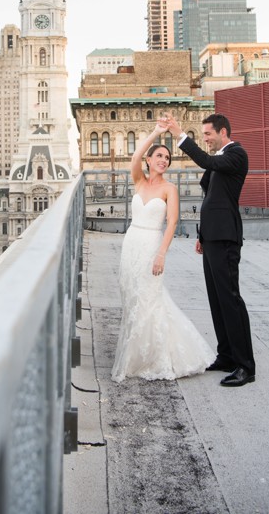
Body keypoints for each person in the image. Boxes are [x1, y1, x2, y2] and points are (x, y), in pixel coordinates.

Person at [110, 118, 213, 382]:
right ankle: (135, 355)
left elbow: (173, 223)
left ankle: (156, 357)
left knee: (149, 299)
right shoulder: (140, 181)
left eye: (167, 157)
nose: (163, 160)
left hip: (151, 245)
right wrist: (156, 131)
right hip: (132, 244)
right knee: (132, 296)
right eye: (159, 155)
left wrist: (161, 254)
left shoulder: (170, 189)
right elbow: (134, 155)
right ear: (149, 160)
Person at [164, 112, 256, 388]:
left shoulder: (237, 154)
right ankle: (226, 355)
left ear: (223, 132)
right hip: (213, 236)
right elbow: (211, 197)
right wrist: (202, 235)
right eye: (202, 135)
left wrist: (180, 134)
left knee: (230, 299)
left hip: (227, 236)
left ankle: (245, 366)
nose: (205, 139)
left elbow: (206, 161)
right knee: (216, 299)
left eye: (207, 135)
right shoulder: (221, 160)